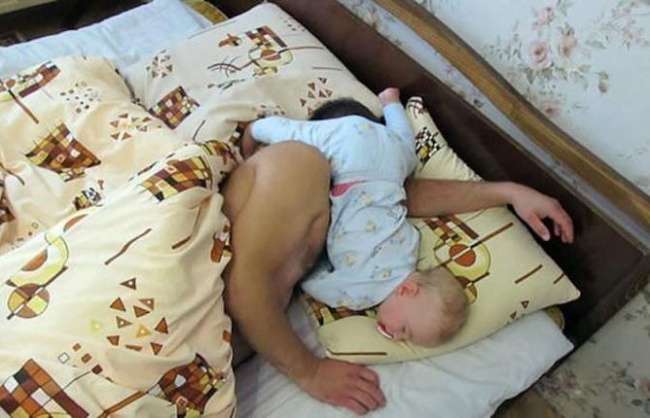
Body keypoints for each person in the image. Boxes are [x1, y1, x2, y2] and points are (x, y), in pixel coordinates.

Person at [222, 121, 574, 416]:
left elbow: (396, 196)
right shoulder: (300, 163)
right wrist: (310, 372)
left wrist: (508, 192)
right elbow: (244, 291)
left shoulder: (349, 208)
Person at [240, 88, 468, 347]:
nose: (397, 337)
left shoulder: (410, 251)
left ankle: (391, 103)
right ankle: (257, 129)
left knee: (408, 149)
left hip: (390, 158)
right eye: (406, 330)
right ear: (408, 291)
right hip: (353, 160)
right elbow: (310, 280)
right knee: (300, 137)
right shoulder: (362, 294)